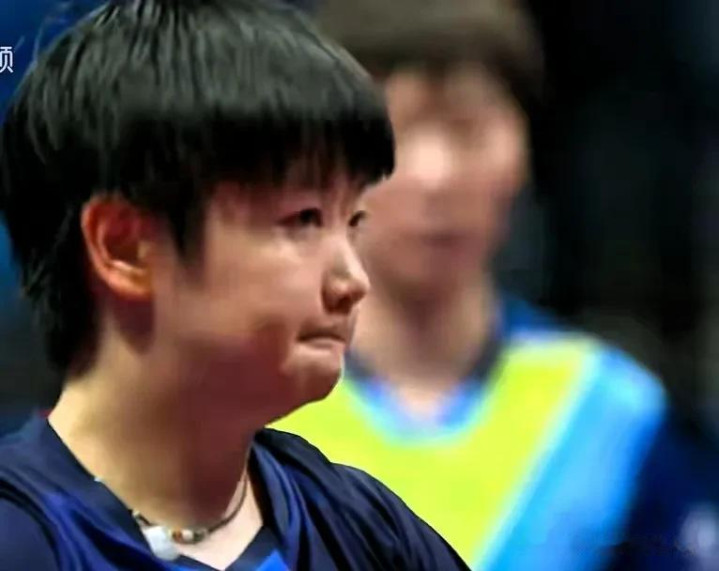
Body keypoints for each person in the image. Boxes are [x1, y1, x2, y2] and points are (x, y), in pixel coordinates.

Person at [0, 0, 471, 569]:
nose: (353, 281)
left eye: (353, 222)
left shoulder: (368, 532)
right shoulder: (21, 542)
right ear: (124, 247)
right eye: (303, 219)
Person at [273, 0, 678, 569]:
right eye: (393, 134)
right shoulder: (249, 406)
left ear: (525, 153)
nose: (435, 176)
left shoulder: (607, 412)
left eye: (469, 131)